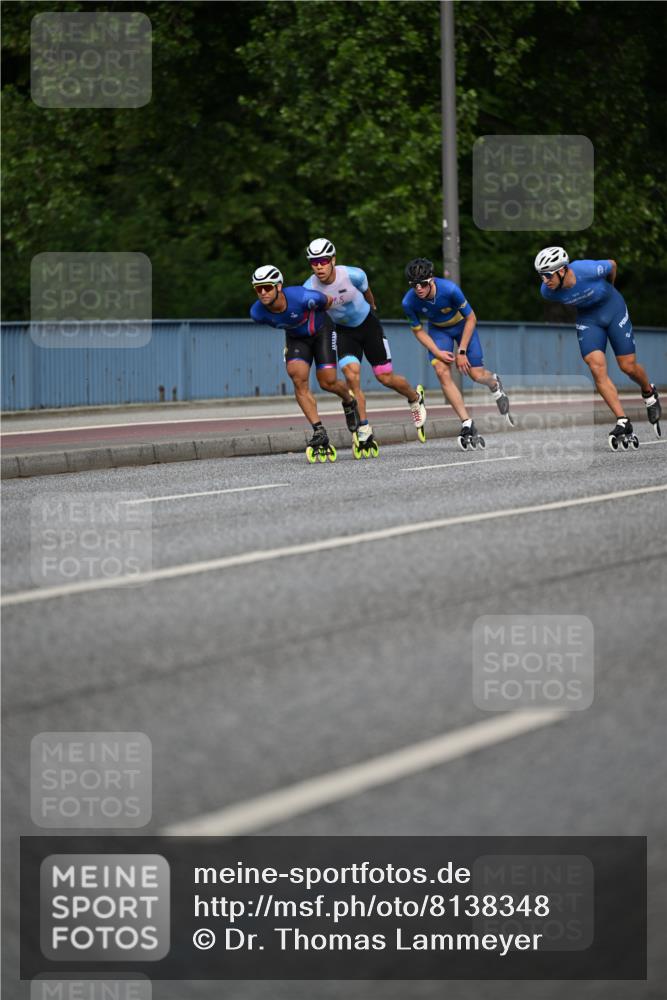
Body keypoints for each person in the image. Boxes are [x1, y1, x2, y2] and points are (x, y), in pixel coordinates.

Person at [303, 238, 426, 452]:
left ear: (333, 259)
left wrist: (372, 305)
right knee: (351, 375)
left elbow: (367, 292)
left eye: (323, 260)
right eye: (313, 262)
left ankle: (415, 397)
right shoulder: (309, 287)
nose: (319, 266)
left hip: (368, 326)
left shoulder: (353, 274)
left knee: (384, 377)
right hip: (343, 332)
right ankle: (364, 428)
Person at [535, 247, 662, 448]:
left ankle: (648, 391)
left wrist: (610, 288)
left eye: (548, 275)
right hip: (589, 318)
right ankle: (623, 420)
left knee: (627, 366)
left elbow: (613, 264)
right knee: (595, 367)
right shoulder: (547, 292)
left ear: (562, 270)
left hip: (613, 309)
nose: (544, 281)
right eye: (541, 276)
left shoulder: (587, 270)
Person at [249, 264, 358, 459]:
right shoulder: (257, 313)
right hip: (297, 338)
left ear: (278, 287)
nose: (263, 292)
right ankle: (319, 430)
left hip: (322, 331)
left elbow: (328, 301)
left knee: (327, 382)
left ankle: (349, 401)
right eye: (258, 288)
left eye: (267, 287)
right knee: (298, 379)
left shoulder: (303, 297)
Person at [401, 258, 511, 450]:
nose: (418, 289)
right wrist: (436, 351)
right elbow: (418, 331)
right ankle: (467, 423)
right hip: (438, 331)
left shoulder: (450, 290)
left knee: (476, 375)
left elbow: (471, 318)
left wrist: (461, 351)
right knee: (442, 372)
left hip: (462, 327)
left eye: (423, 284)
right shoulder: (408, 301)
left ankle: (494, 382)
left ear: (432, 280)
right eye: (414, 285)